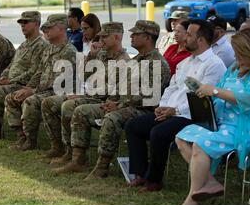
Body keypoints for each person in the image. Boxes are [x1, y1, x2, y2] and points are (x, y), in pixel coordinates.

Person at [175, 29, 250, 205]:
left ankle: (191, 202)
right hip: (224, 123)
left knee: (200, 144)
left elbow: (248, 98)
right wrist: (205, 90)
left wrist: (215, 91)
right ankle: (209, 182)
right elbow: (219, 88)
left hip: (247, 128)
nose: (236, 56)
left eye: (239, 53)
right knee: (182, 138)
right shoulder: (236, 67)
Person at [53, 20, 171, 180]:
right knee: (81, 111)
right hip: (121, 104)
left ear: (148, 38)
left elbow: (148, 96)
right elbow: (120, 87)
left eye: (136, 34)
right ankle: (77, 159)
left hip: (144, 110)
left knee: (111, 118)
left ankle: (102, 167)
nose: (132, 36)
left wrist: (118, 105)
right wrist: (114, 101)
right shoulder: (136, 60)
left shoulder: (156, 63)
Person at [126, 19, 226, 192]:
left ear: (201, 40)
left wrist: (175, 110)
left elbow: (202, 99)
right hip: (172, 112)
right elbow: (172, 88)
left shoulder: (214, 65)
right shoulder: (185, 63)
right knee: (133, 126)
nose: (184, 38)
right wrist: (163, 106)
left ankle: (154, 180)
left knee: (158, 133)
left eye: (189, 34)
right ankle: (141, 173)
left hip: (194, 116)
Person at [41, 22, 130, 164]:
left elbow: (113, 90)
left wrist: (84, 96)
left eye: (104, 38)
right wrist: (91, 56)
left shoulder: (123, 61)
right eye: (100, 38)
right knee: (49, 102)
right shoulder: (101, 55)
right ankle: (62, 148)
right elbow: (83, 76)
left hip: (105, 101)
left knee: (70, 106)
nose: (100, 41)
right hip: (90, 94)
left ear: (117, 37)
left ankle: (77, 158)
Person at [0, 11, 49, 142]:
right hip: (10, 82)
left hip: (23, 85)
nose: (22, 25)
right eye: (21, 23)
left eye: (26, 22)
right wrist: (4, 75)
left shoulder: (40, 45)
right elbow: (11, 64)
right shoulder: (24, 44)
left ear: (36, 24)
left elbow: (34, 72)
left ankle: (10, 133)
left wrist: (10, 80)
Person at [4, 14, 76, 150]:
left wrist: (33, 91)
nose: (46, 31)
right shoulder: (49, 49)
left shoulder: (68, 52)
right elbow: (39, 72)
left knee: (30, 101)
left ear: (61, 29)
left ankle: (39, 143)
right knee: (12, 97)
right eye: (45, 29)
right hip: (43, 90)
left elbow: (59, 83)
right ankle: (22, 137)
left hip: (59, 92)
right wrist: (28, 88)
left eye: (49, 28)